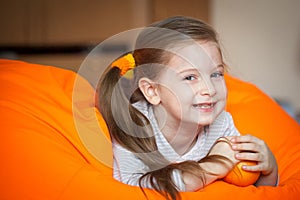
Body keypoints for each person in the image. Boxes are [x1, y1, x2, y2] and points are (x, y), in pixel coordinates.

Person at [96, 16, 278, 200]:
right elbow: (131, 188)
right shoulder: (133, 126)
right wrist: (212, 167)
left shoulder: (222, 124)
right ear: (152, 91)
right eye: (190, 77)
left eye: (216, 74)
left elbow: (254, 188)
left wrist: (269, 169)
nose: (210, 89)